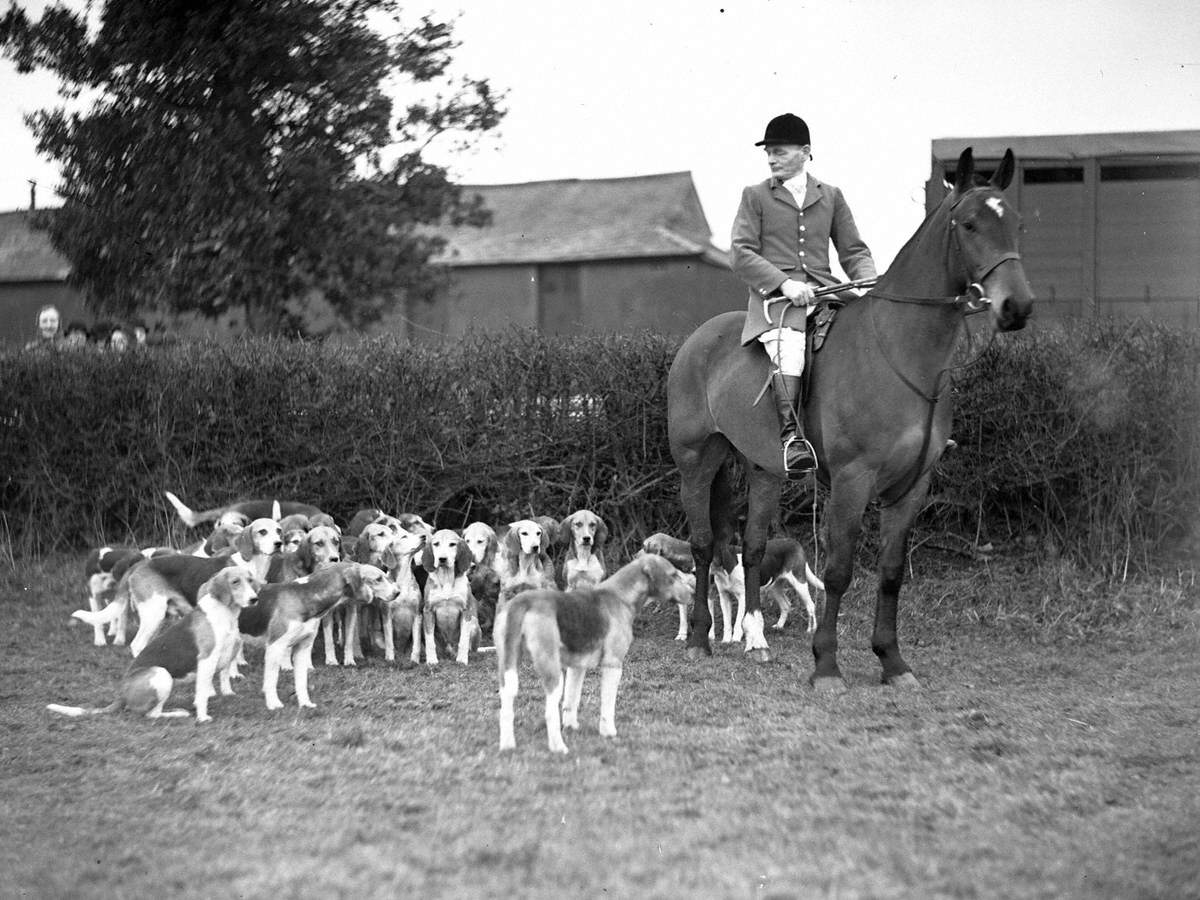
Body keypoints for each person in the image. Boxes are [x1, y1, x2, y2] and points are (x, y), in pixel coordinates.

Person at [730, 113, 876, 478]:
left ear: (805, 152)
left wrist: (869, 281)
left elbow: (854, 251)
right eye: (768, 154)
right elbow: (741, 252)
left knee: (874, 331)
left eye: (778, 152)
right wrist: (784, 283)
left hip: (826, 293)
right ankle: (792, 439)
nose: (771, 159)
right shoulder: (755, 196)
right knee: (790, 350)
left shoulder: (831, 196)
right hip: (777, 306)